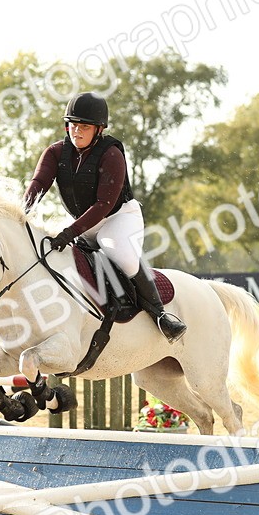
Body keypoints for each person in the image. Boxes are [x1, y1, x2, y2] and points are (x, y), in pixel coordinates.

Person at [23, 92, 186, 342]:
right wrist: (20, 212)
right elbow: (38, 184)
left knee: (122, 256)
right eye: (73, 125)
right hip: (83, 222)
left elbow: (104, 204)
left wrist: (69, 233)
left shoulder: (111, 154)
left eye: (84, 127)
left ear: (99, 129)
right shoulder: (55, 153)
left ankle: (161, 316)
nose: (76, 131)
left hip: (118, 217)